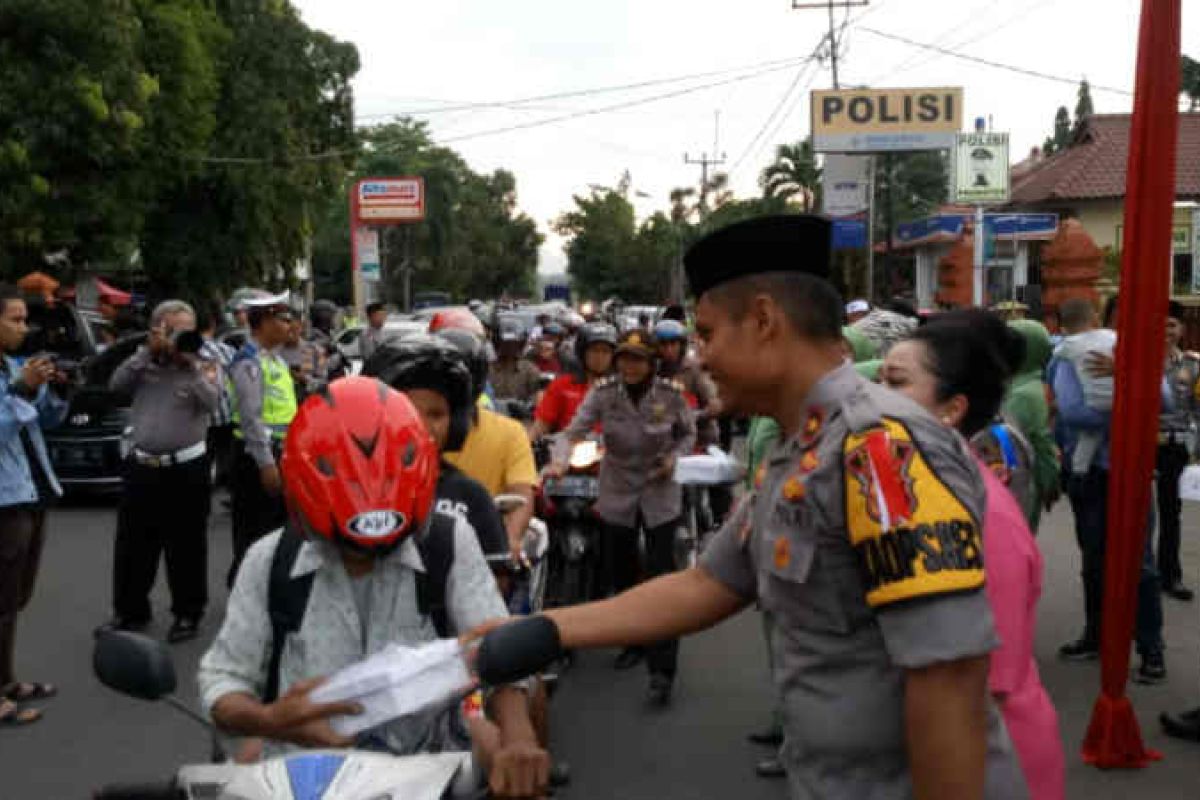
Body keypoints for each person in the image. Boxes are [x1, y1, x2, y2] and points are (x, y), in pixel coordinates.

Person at [474, 215, 1028, 799]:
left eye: (707, 333)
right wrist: (542, 629)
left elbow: (949, 684)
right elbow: (709, 584)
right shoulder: (803, 449)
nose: (698, 355)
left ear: (764, 320)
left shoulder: (883, 451)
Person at [197, 378, 549, 798]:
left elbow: (498, 650)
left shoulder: (449, 542)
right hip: (298, 782)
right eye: (347, 547)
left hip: (432, 778)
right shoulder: (268, 560)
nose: (365, 559)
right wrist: (271, 719)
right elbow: (224, 680)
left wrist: (518, 736)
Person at [881, 310, 1065, 800]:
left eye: (894, 383)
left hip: (990, 757)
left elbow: (985, 677)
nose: (871, 399)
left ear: (953, 408)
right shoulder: (921, 487)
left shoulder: (981, 512)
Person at [547, 329, 696, 706]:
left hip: (660, 490)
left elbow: (688, 434)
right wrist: (559, 460)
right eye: (624, 358)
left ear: (652, 363)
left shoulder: (670, 395)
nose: (630, 366)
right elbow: (571, 432)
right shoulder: (603, 394)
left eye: (638, 359)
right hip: (616, 490)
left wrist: (673, 459)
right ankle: (634, 640)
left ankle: (663, 670)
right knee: (621, 573)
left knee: (662, 577)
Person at [1049, 298, 1166, 682]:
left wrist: (1127, 376)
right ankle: (1096, 636)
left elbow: (1163, 399)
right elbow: (1071, 412)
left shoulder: (1131, 356)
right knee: (1095, 560)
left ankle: (1151, 650)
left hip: (1130, 469)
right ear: (1097, 318)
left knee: (1141, 564)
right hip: (1093, 475)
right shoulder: (1064, 359)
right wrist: (1128, 402)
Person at [100, 300, 219, 644]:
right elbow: (116, 386)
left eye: (187, 328)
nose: (181, 335)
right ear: (157, 329)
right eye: (173, 329)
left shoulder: (203, 363)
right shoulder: (143, 361)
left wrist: (190, 367)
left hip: (187, 467)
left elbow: (215, 403)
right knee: (133, 545)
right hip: (142, 466)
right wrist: (146, 353)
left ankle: (187, 613)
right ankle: (130, 611)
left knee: (187, 545)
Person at [0, 283, 67, 728]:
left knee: (14, 599)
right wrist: (22, 392)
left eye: (26, 319)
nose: (24, 328)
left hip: (30, 491)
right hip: (4, 501)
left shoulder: (13, 366)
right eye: (15, 319)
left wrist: (49, 390)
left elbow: (46, 422)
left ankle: (6, 681)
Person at [440, 329, 538, 562]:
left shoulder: (510, 432)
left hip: (486, 550)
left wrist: (510, 541)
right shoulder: (407, 431)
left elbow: (521, 495)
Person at [226, 292, 298, 586]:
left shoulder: (275, 360)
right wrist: (266, 463)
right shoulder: (249, 362)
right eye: (283, 319)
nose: (290, 325)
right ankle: (245, 591)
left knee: (275, 530)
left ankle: (265, 589)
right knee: (253, 532)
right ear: (265, 322)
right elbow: (251, 417)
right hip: (257, 458)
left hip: (280, 452)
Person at [1155, 301, 1196, 601]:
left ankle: (1170, 575)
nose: (1167, 331)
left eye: (1172, 325)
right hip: (1142, 446)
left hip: (1174, 446)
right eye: (1162, 324)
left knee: (1171, 514)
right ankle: (1138, 574)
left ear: (1181, 330)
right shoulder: (1137, 360)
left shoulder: (1192, 366)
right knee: (1139, 516)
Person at [1003, 320, 1060, 532]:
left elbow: (1035, 442)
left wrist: (1049, 482)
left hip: (1018, 485)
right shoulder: (1026, 386)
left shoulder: (1022, 394)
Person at [528, 322, 617, 441]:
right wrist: (527, 446)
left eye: (605, 351)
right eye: (594, 351)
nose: (600, 357)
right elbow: (541, 425)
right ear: (582, 353)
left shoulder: (621, 389)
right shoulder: (562, 385)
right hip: (566, 452)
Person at [198, 305, 237, 489]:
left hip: (199, 419)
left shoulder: (183, 353)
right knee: (227, 458)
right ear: (212, 325)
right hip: (226, 416)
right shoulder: (226, 351)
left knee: (203, 460)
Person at [489, 315, 541, 403]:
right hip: (490, 414)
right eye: (505, 344)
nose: (509, 348)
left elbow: (537, 396)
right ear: (497, 343)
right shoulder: (487, 369)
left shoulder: (530, 370)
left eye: (513, 343)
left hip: (520, 415)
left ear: (520, 344)